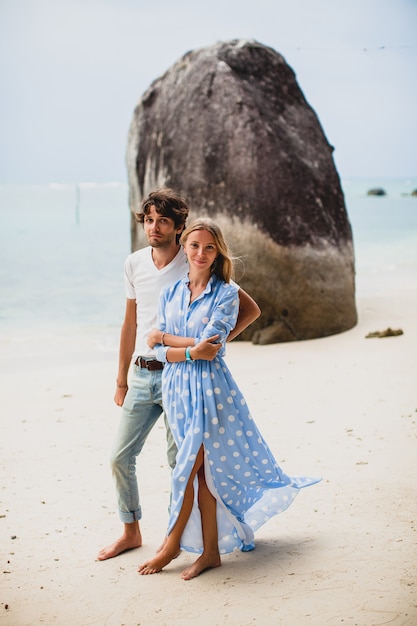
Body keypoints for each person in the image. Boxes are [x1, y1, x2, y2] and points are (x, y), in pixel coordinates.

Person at [138, 218, 320, 580]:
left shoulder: (225, 293)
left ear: (218, 251)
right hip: (176, 390)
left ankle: (172, 542)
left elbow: (209, 345)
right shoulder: (171, 292)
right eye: (194, 246)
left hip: (211, 390)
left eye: (209, 247)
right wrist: (185, 347)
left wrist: (168, 339)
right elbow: (157, 347)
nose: (201, 253)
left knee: (187, 467)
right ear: (184, 248)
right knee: (203, 475)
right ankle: (209, 552)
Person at [97, 189, 261, 561]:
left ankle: (174, 540)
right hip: (142, 373)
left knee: (180, 464)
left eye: (163, 221)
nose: (154, 227)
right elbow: (130, 323)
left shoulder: (192, 259)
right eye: (150, 220)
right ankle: (130, 531)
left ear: (179, 229)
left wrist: (214, 346)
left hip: (181, 377)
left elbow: (248, 308)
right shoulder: (134, 263)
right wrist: (121, 379)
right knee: (120, 458)